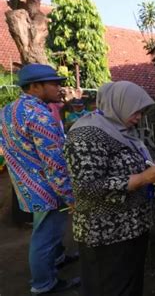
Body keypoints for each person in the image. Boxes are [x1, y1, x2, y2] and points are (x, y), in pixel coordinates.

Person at [64, 81, 155, 296]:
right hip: (106, 235)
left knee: (128, 284)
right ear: (119, 103)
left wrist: (149, 169)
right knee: (109, 287)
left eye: (142, 112)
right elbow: (86, 187)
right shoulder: (87, 134)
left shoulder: (119, 130)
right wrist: (142, 178)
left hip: (129, 228)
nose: (139, 117)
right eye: (136, 110)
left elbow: (121, 166)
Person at [0, 64, 80, 295]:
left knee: (43, 230)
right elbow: (55, 163)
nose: (59, 87)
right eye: (53, 83)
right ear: (35, 87)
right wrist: (70, 196)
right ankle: (44, 284)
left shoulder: (8, 110)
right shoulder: (40, 115)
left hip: (26, 185)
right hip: (47, 188)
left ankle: (57, 259)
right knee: (45, 236)